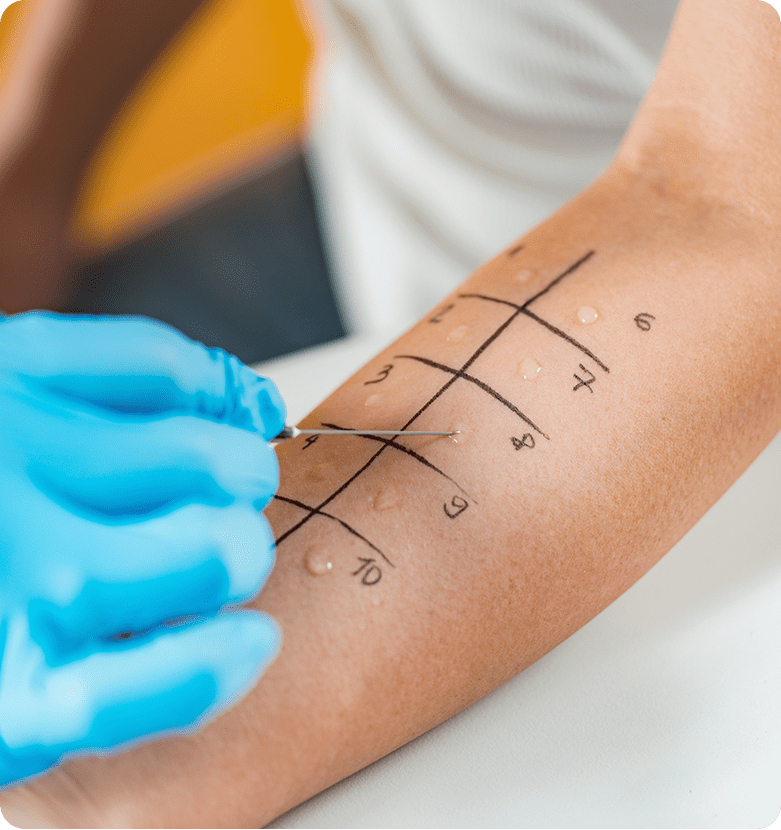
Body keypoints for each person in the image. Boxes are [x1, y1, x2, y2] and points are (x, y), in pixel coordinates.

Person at [2, 0, 781, 826]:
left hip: (663, 267)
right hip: (363, 168)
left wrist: (86, 791)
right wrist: (33, 168)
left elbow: (731, 205)